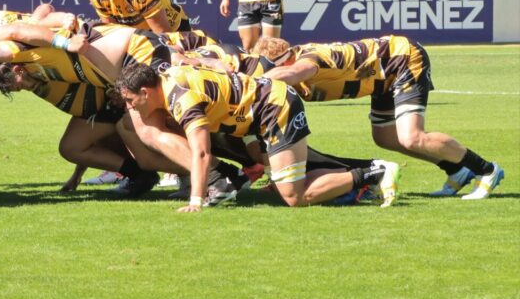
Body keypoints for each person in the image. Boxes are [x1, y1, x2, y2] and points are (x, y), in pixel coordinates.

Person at [116, 62, 400, 210]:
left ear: (145, 92)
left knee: (293, 196)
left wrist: (195, 200)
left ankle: (374, 172)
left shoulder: (181, 99)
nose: (130, 107)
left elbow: (201, 153)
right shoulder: (165, 79)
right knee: (283, 176)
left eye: (130, 100)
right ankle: (364, 178)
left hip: (274, 108)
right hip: (255, 113)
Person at [258, 35, 505, 201]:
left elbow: (299, 70)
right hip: (381, 79)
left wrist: (256, 83)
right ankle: (456, 169)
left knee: (412, 137)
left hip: (402, 59)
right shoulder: (294, 70)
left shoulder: (308, 59)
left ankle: (486, 170)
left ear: (283, 61)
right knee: (385, 137)